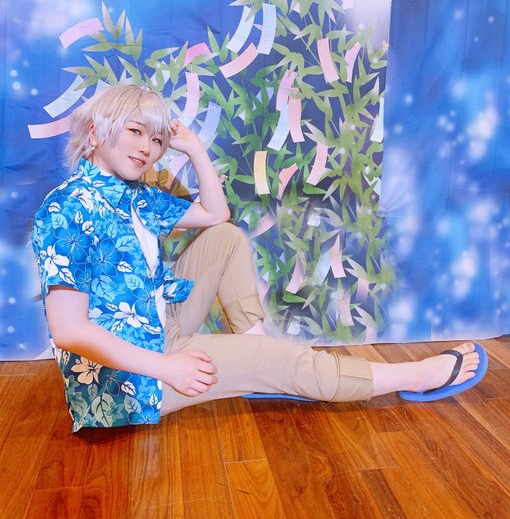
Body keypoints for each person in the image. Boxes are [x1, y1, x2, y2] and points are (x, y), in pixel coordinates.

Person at [32, 84, 486, 432]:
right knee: (289, 361)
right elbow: (69, 330)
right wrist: (165, 367)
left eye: (155, 139)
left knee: (225, 237)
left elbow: (216, 214)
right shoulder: (67, 208)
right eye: (135, 132)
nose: (147, 148)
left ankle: (257, 356)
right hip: (130, 377)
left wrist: (195, 149)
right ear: (95, 133)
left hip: (155, 323)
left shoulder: (132, 195)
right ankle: (415, 376)